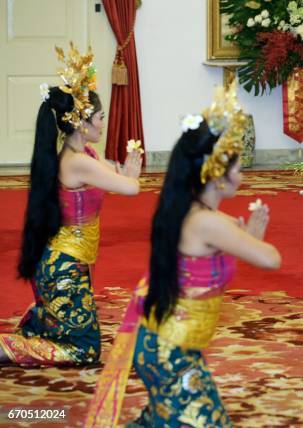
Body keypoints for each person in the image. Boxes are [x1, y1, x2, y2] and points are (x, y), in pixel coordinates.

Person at [85, 84, 281, 427]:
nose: (242, 173)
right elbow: (271, 259)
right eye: (236, 166)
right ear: (216, 175)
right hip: (168, 350)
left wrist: (245, 238)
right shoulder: (206, 222)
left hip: (173, 344)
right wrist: (252, 241)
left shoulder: (193, 211)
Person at [0, 44, 142, 366]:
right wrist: (131, 175)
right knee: (85, 351)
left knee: (69, 334)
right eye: (100, 118)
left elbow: (112, 172)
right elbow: (129, 187)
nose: (103, 123)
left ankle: (43, 323)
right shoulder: (77, 162)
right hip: (62, 268)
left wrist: (124, 173)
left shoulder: (85, 154)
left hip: (67, 264)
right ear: (82, 124)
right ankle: (8, 346)